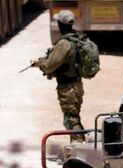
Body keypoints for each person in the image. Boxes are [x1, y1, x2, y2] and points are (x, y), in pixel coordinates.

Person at [32, 10, 86, 140]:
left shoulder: (63, 43)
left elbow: (49, 66)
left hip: (68, 88)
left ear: (61, 24)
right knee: (75, 117)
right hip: (77, 85)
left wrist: (39, 63)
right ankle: (79, 144)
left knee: (71, 120)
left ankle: (78, 148)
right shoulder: (76, 39)